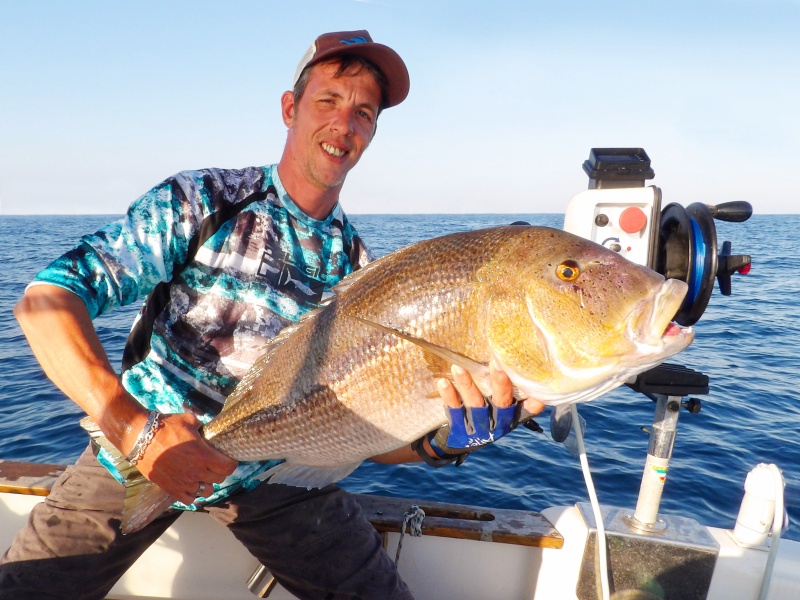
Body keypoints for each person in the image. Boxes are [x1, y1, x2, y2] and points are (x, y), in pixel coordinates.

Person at [2, 30, 542, 599]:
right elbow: (44, 302)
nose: (344, 125)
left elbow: (357, 430)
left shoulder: (360, 271)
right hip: (137, 452)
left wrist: (439, 444)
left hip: (278, 478)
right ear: (291, 109)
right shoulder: (204, 200)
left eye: (363, 113)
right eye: (328, 101)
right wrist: (137, 433)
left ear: (372, 134)